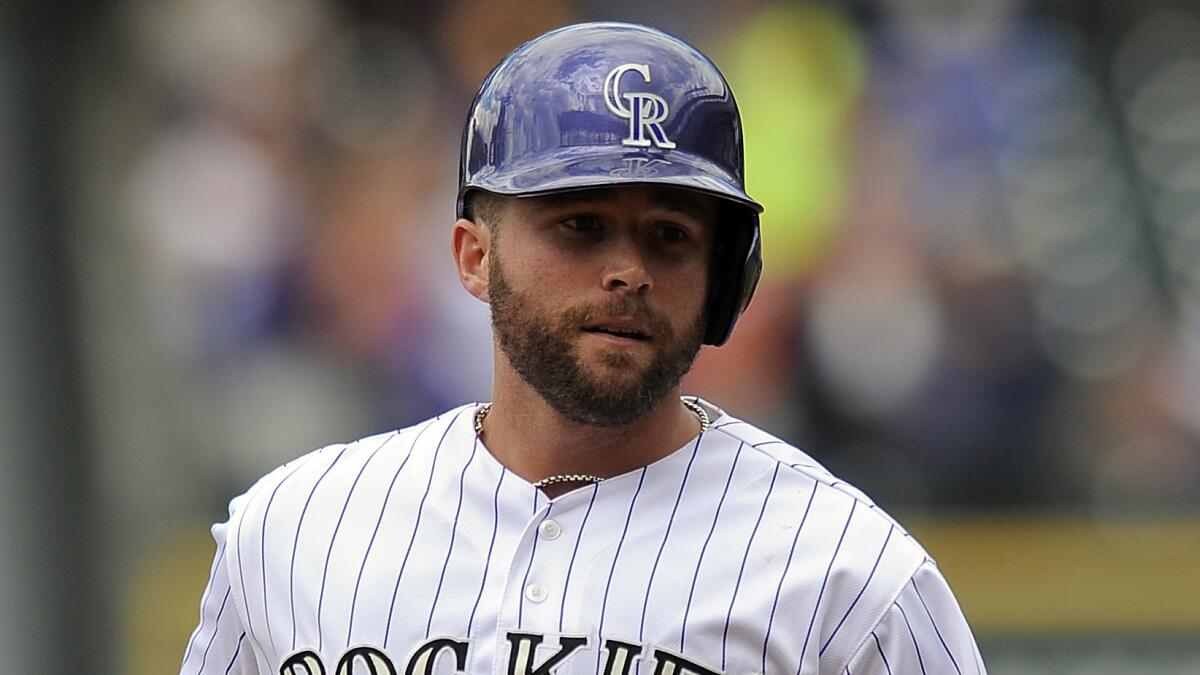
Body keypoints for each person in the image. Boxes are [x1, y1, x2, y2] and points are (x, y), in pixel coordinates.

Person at [180, 21, 985, 675]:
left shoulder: (850, 576)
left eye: (669, 237)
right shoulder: (295, 529)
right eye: (581, 226)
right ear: (473, 254)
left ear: (720, 280)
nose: (627, 271)